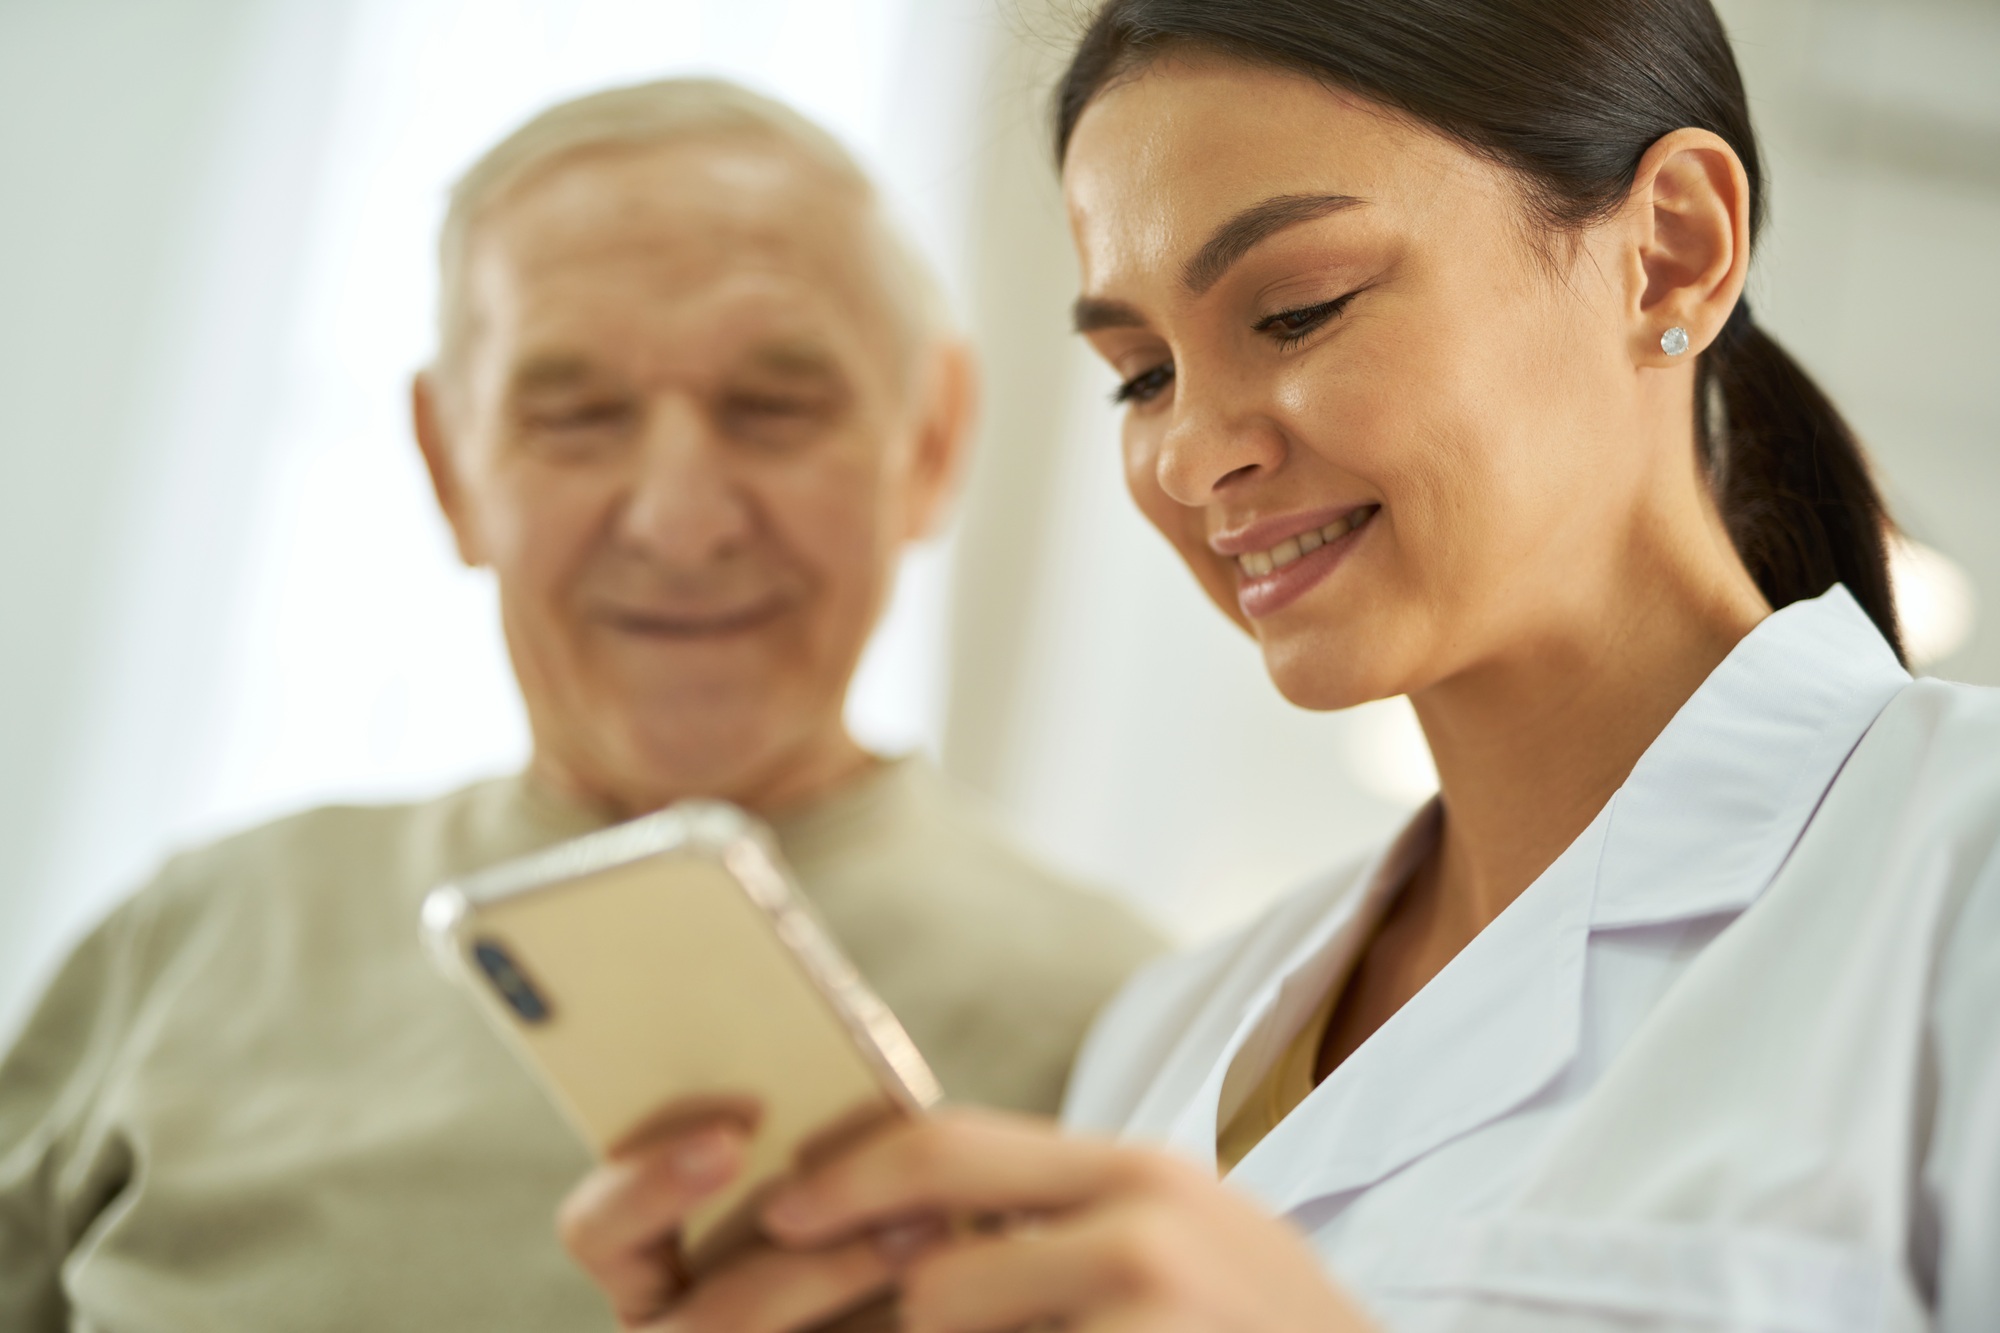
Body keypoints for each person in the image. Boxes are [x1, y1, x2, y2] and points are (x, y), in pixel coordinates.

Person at [556, 4, 2000, 1331]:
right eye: (1142, 373)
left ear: (1671, 249)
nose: (1191, 453)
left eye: (1298, 308)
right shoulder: (1169, 1036)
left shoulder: (1960, 867)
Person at [0, 79, 1163, 1333]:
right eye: (574, 415)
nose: (678, 520)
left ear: (929, 442)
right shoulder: (195, 936)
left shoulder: (1136, 1020)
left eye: (773, 409)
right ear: (451, 465)